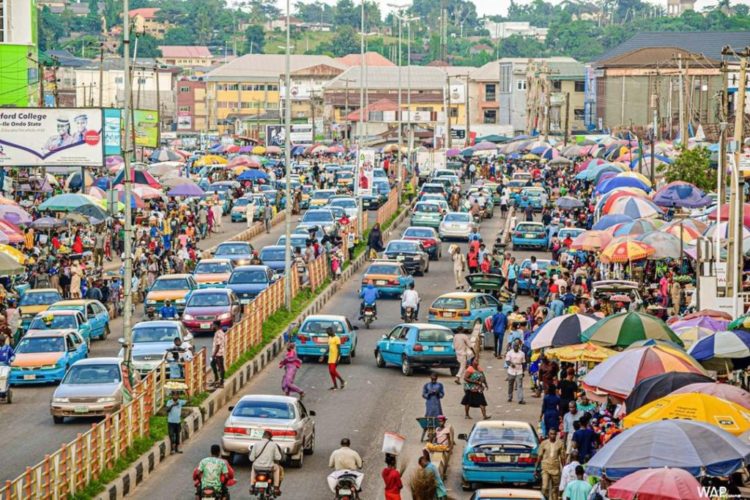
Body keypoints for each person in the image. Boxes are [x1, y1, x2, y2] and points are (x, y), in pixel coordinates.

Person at [249, 430, 283, 496]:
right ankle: (276, 487)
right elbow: (278, 458)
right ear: (270, 437)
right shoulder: (273, 445)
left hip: (257, 467)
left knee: (253, 467)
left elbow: (251, 459)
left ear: (263, 436)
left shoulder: (256, 444)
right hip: (269, 468)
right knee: (277, 468)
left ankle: (252, 486)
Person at [536, 427, 565, 500]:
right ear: (548, 434)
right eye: (551, 434)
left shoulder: (560, 444)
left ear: (556, 435)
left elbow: (562, 457)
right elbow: (539, 456)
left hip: (555, 469)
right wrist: (536, 468)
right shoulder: (544, 443)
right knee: (545, 487)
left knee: (555, 489)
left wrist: (564, 469)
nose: (552, 436)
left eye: (554, 434)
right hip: (545, 468)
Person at [505, 339, 526, 404]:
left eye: (517, 346)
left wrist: (523, 371)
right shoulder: (509, 353)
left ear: (519, 347)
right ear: (513, 346)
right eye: (515, 346)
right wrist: (511, 364)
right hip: (511, 371)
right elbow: (507, 361)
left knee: (519, 385)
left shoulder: (522, 353)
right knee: (510, 385)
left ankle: (520, 399)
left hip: (519, 370)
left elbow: (523, 363)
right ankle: (510, 397)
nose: (516, 347)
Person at [211, 322, 226, 387]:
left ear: (216, 326)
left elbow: (218, 345)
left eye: (213, 325)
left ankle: (221, 382)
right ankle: (217, 379)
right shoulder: (219, 332)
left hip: (218, 354)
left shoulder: (218, 334)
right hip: (218, 353)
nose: (212, 326)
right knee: (213, 364)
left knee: (221, 367)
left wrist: (214, 354)